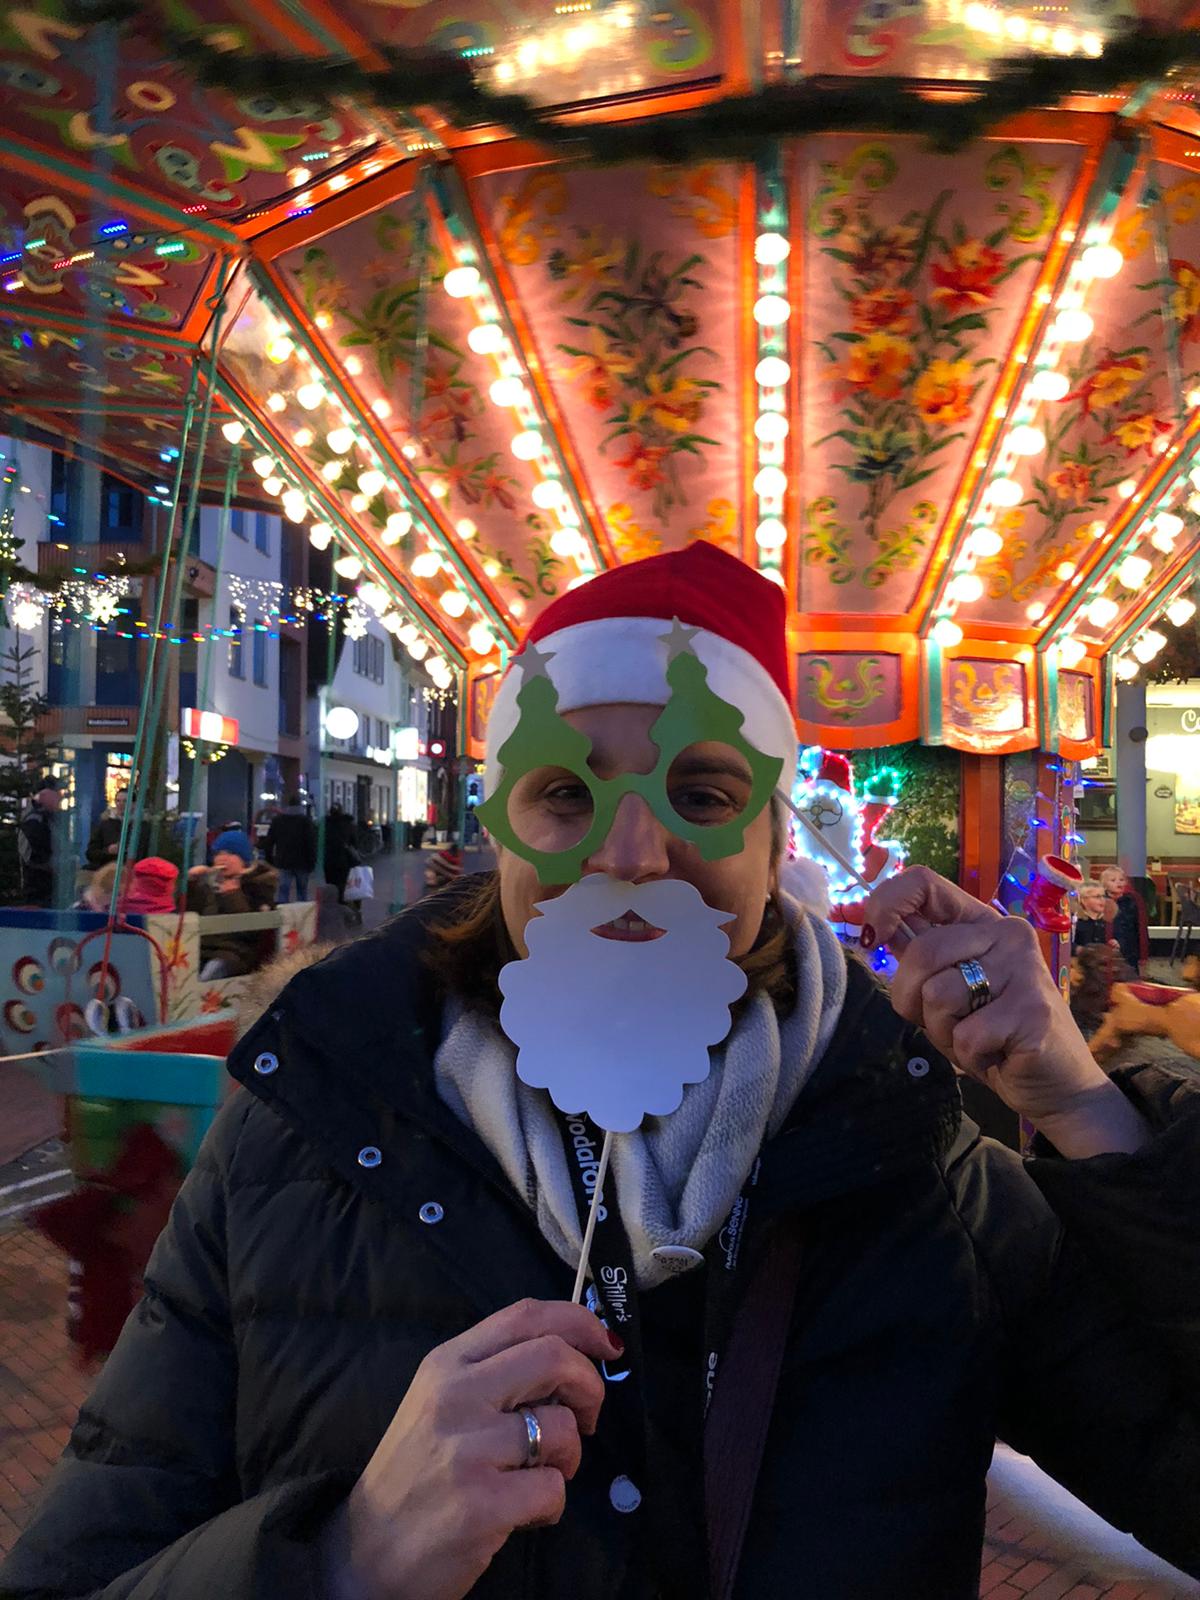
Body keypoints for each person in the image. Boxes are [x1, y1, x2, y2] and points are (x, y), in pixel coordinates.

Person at [4, 543, 1199, 1600]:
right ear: (501, 827)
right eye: (568, 792)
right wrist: (344, 1558)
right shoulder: (296, 1143)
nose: (633, 852)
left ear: (775, 841)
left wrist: (1090, 1110)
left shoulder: (929, 1178)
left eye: (702, 792)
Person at [186, 831, 278, 980]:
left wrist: (232, 895)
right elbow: (188, 913)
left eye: (230, 853)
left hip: (235, 952)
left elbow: (252, 931)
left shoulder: (258, 885)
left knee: (209, 975)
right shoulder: (209, 884)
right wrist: (191, 883)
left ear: (243, 859)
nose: (223, 858)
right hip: (200, 947)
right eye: (218, 853)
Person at [265, 794, 318, 903]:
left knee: (283, 890)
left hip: (283, 861)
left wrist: (270, 859)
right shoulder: (306, 821)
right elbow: (311, 843)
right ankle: (302, 912)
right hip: (303, 862)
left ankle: (282, 911)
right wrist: (312, 862)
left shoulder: (278, 821)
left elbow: (269, 842)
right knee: (302, 891)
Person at [17, 781, 61, 906]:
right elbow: (36, 854)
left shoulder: (42, 817)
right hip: (38, 883)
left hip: (44, 880)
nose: (59, 799)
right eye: (56, 795)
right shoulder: (35, 820)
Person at [85, 788, 150, 870]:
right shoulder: (105, 824)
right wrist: (108, 851)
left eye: (125, 801)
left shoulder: (143, 827)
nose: (121, 804)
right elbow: (90, 853)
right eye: (118, 801)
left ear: (134, 804)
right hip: (106, 871)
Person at [1100, 865, 1149, 973]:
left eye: (1121, 880)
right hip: (1107, 949)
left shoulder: (1133, 900)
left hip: (1130, 948)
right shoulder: (1100, 901)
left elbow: (1140, 927)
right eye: (1113, 880)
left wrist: (1143, 955)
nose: (1119, 883)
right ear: (1104, 885)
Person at [323, 803, 359, 907]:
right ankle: (340, 902)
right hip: (343, 859)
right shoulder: (348, 824)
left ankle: (331, 902)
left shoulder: (325, 824)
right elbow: (354, 842)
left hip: (328, 859)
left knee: (330, 882)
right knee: (342, 882)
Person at [1072, 879, 1113, 949]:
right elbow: (1068, 944)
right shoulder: (1075, 921)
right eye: (1097, 897)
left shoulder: (1108, 920)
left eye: (1103, 896)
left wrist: (1115, 943)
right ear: (1083, 900)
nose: (1102, 900)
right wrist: (1078, 949)